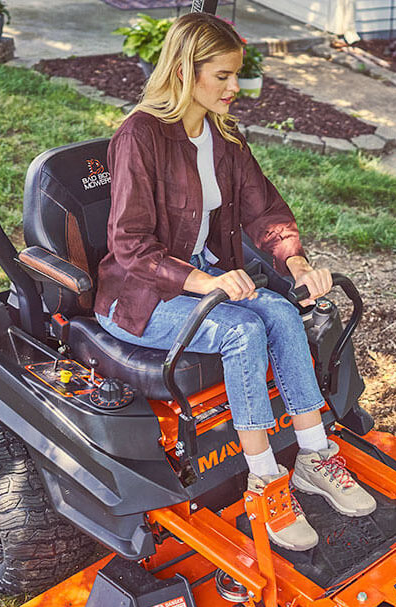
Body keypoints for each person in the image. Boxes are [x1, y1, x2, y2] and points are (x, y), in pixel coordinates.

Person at [94, 12, 375, 551]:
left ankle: (316, 457)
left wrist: (295, 262)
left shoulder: (223, 135)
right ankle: (265, 482)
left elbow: (263, 210)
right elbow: (129, 246)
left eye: (236, 74)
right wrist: (204, 281)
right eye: (221, 76)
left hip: (200, 274)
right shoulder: (140, 136)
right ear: (184, 71)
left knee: (281, 310)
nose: (234, 87)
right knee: (243, 330)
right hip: (141, 295)